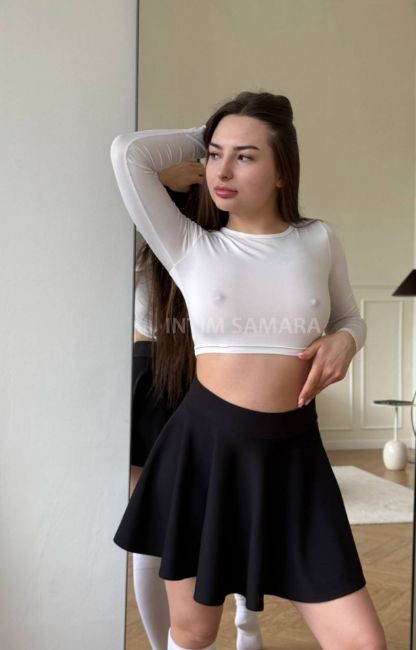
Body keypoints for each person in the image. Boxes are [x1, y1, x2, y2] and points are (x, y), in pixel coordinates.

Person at [110, 90, 387, 650]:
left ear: (282, 169)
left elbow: (350, 317)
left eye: (245, 156)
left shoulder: (318, 239)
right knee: (194, 632)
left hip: (295, 458)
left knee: (362, 642)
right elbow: (128, 154)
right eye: (215, 155)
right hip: (203, 453)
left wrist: (346, 341)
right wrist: (214, 130)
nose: (222, 170)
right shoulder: (189, 244)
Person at [130, 171, 263, 650]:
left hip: (180, 374)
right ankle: (245, 619)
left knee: (160, 527)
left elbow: (132, 158)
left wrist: (181, 165)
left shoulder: (160, 244)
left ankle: (230, 622)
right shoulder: (219, 247)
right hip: (174, 375)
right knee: (230, 509)